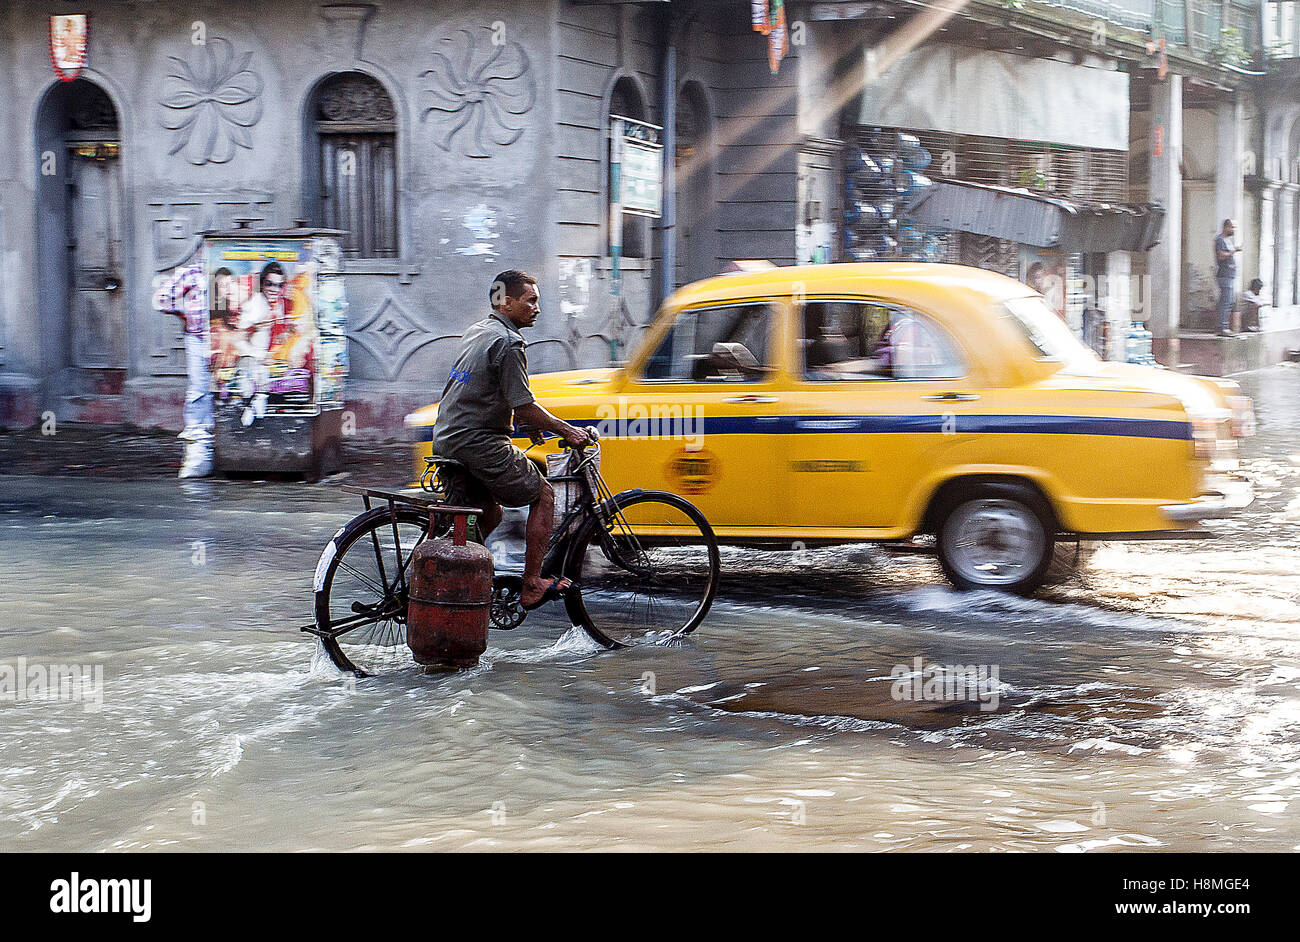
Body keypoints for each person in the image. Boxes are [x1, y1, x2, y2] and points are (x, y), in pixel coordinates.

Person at [431, 270, 593, 610]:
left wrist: (526, 421)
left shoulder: (479, 331)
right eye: (530, 301)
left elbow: (496, 393)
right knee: (544, 494)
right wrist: (568, 431)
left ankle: (450, 579)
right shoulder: (509, 342)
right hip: (478, 442)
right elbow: (525, 404)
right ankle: (532, 584)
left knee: (489, 514)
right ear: (507, 302)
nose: (536, 308)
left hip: (448, 438)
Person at [1215, 219, 1242, 336]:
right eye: (1232, 227)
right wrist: (1233, 251)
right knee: (1226, 301)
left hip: (1230, 275)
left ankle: (1222, 325)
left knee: (1228, 301)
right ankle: (1223, 326)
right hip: (1224, 274)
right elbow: (1221, 255)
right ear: (1226, 227)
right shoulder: (1220, 240)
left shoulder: (1228, 240)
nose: (1233, 230)